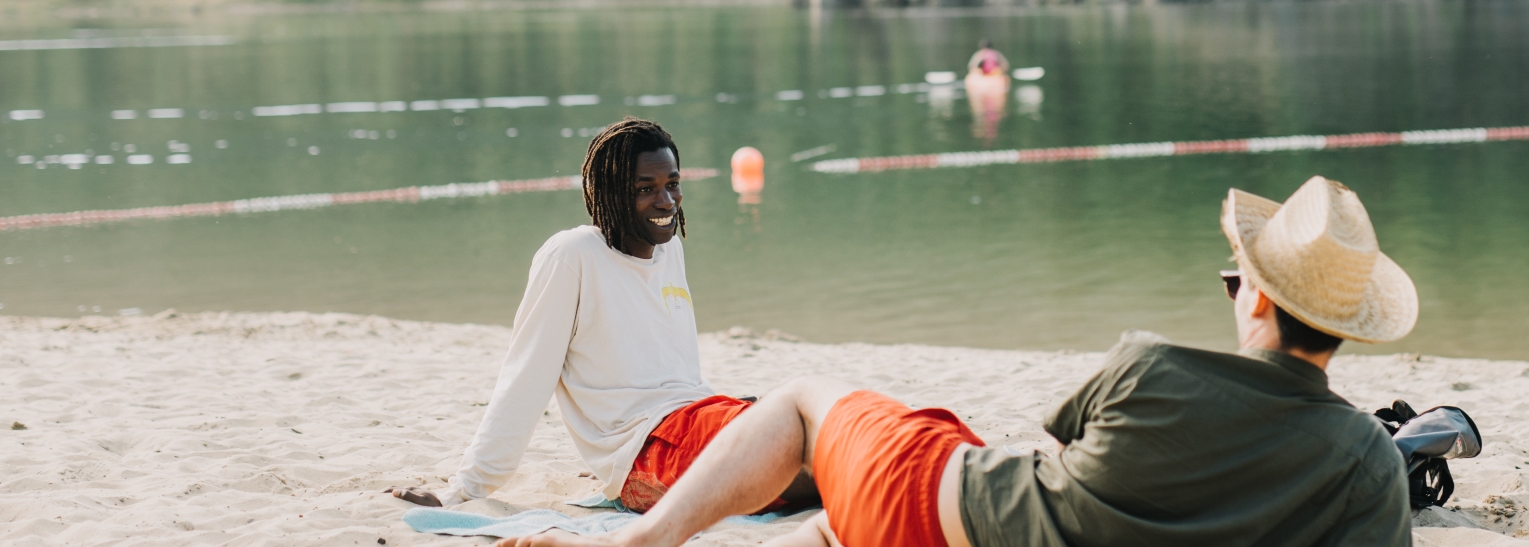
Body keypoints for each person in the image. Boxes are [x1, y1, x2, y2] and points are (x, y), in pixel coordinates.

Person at [502, 175, 1416, 547]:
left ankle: (639, 543)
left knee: (804, 401)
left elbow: (1056, 445)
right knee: (836, 523)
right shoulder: (1368, 462)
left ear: (1254, 295)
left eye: (1234, 279)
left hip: (943, 514)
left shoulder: (1153, 368)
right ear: (1347, 331)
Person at [390, 118, 807, 514]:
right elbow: (525, 378)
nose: (666, 201)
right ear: (610, 192)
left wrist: (734, 412)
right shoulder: (572, 257)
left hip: (698, 420)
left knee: (821, 416)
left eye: (673, 184)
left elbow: (678, 373)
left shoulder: (669, 249)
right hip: (645, 450)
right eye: (646, 188)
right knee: (811, 456)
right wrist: (465, 490)